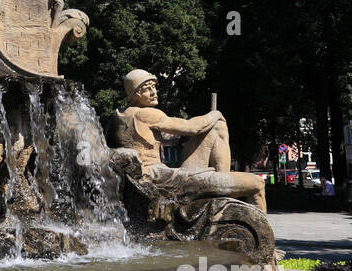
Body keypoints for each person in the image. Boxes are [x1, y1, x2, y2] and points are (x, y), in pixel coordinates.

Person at [109, 69, 267, 212]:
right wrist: (216, 114)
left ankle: (222, 189)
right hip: (162, 180)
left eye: (154, 87)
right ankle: (260, 240)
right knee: (257, 184)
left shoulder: (115, 117)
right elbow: (192, 127)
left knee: (216, 127)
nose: (154, 92)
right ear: (135, 93)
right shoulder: (146, 114)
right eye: (147, 89)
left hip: (155, 179)